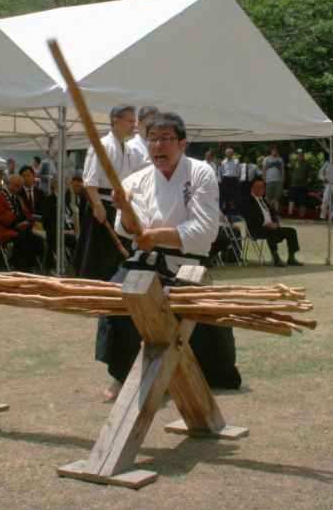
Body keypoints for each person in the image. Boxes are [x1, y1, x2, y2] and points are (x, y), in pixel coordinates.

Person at [101, 111, 241, 401]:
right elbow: (130, 229)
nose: (157, 146)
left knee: (202, 336)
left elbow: (204, 231)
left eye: (165, 139)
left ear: (182, 143)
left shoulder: (200, 172)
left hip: (185, 264)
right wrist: (124, 208)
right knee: (117, 296)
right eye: (152, 139)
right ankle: (123, 373)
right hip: (144, 263)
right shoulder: (136, 179)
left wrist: (154, 236)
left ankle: (192, 373)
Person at [78, 105, 147, 282]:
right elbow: (90, 181)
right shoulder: (102, 145)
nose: (133, 125)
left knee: (116, 253)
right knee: (97, 253)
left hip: (119, 205)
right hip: (101, 203)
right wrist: (97, 205)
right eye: (130, 121)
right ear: (116, 121)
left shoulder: (128, 148)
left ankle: (114, 287)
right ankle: (93, 290)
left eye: (134, 121)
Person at [241, 176, 302, 267]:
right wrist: (266, 225)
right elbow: (251, 218)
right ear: (252, 188)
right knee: (270, 231)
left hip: (271, 227)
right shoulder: (248, 201)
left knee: (291, 231)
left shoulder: (264, 201)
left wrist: (276, 223)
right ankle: (276, 258)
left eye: (262, 187)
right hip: (257, 229)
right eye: (258, 187)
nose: (261, 189)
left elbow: (273, 214)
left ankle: (291, 257)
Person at [287, 149, 311, 217]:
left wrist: (308, 180)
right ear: (297, 155)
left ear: (303, 155)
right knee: (291, 200)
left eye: (301, 154)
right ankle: (290, 214)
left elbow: (309, 174)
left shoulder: (307, 164)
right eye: (299, 154)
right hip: (293, 185)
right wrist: (292, 176)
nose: (300, 156)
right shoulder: (294, 162)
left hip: (303, 186)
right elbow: (289, 170)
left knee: (302, 201)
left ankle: (302, 215)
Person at [263, 145, 285, 212]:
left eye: (276, 150)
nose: (275, 151)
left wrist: (283, 180)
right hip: (269, 181)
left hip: (278, 181)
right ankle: (268, 212)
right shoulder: (266, 159)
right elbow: (263, 170)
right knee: (268, 198)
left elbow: (283, 170)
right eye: (273, 150)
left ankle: (276, 212)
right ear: (271, 151)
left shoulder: (280, 159)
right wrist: (264, 180)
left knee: (277, 198)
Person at [218, 147, 241, 213]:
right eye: (228, 153)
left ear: (232, 154)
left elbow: (239, 171)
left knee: (234, 195)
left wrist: (237, 179)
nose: (229, 154)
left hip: (234, 179)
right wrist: (222, 179)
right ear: (226, 154)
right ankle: (226, 209)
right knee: (225, 195)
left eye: (230, 153)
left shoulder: (236, 161)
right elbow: (222, 171)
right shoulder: (223, 162)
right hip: (226, 179)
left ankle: (234, 210)